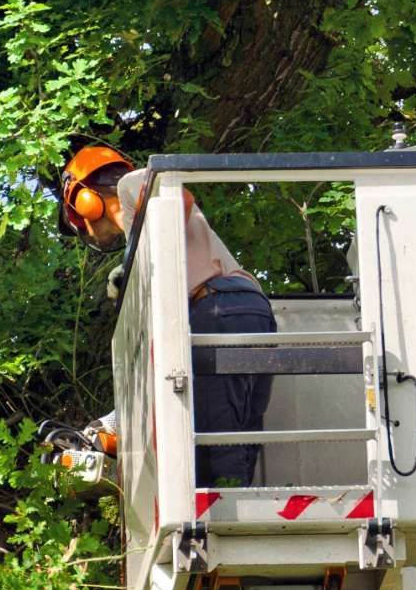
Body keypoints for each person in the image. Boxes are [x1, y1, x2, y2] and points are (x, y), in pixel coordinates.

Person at [59, 143, 276, 487]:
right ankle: (240, 505)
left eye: (77, 221)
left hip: (216, 307)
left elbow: (179, 201)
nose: (85, 230)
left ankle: (223, 516)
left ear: (85, 201)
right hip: (252, 309)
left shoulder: (132, 186)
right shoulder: (138, 233)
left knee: (212, 445)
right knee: (240, 434)